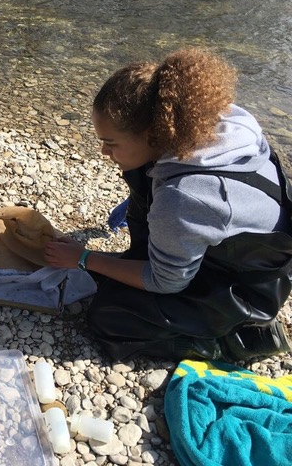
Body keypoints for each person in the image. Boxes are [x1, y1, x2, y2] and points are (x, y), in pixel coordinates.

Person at [44, 48, 292, 362]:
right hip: (246, 252)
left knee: (110, 314)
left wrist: (84, 259)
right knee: (138, 187)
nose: (103, 152)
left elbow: (167, 281)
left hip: (244, 291)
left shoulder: (185, 196)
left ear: (154, 133)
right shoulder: (221, 121)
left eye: (111, 143)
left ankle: (232, 341)